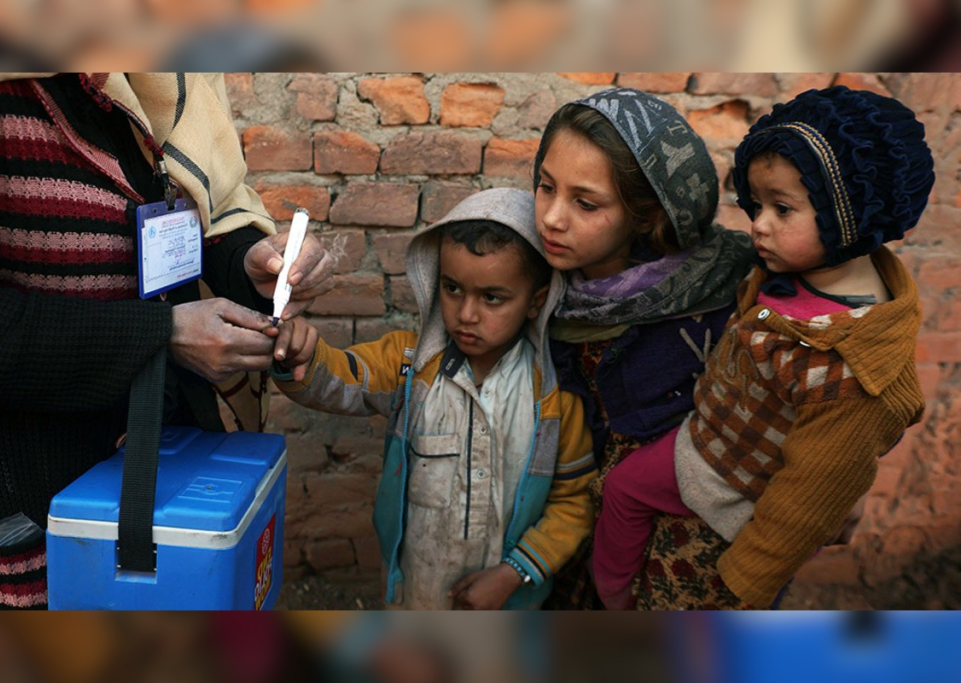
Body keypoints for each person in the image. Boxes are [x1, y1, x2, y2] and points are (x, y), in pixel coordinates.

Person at [0, 72, 334, 609]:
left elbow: (198, 207)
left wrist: (250, 264)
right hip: (21, 484)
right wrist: (161, 335)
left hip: (169, 454)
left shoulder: (162, 74)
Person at [592, 86, 933, 609]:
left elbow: (807, 503)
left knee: (633, 501)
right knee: (622, 489)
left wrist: (746, 582)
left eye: (782, 208)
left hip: (734, 477)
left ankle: (614, 598)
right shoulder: (797, 275)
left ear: (850, 216)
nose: (759, 225)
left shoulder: (855, 372)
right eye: (756, 205)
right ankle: (611, 596)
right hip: (711, 438)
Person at [271, 188, 597, 609]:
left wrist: (512, 573)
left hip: (510, 600)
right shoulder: (411, 366)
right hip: (417, 594)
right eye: (453, 288)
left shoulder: (553, 399)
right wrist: (300, 357)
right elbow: (339, 379)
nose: (466, 314)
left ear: (536, 302)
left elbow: (574, 503)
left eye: (492, 298)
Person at [531, 88, 755, 609]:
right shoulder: (529, 276)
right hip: (567, 533)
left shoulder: (728, 295)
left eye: (585, 203)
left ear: (647, 215)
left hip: (683, 547)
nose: (552, 218)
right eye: (545, 187)